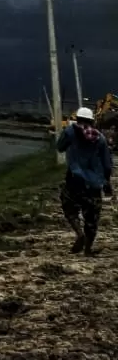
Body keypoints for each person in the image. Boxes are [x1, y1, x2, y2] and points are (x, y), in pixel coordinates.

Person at [57, 106, 113, 255]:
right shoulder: (100, 138)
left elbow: (60, 147)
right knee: (92, 217)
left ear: (77, 119)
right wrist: (107, 183)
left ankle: (79, 233)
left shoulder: (70, 132)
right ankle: (88, 249)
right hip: (94, 184)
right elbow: (107, 164)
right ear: (92, 121)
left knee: (69, 207)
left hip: (74, 180)